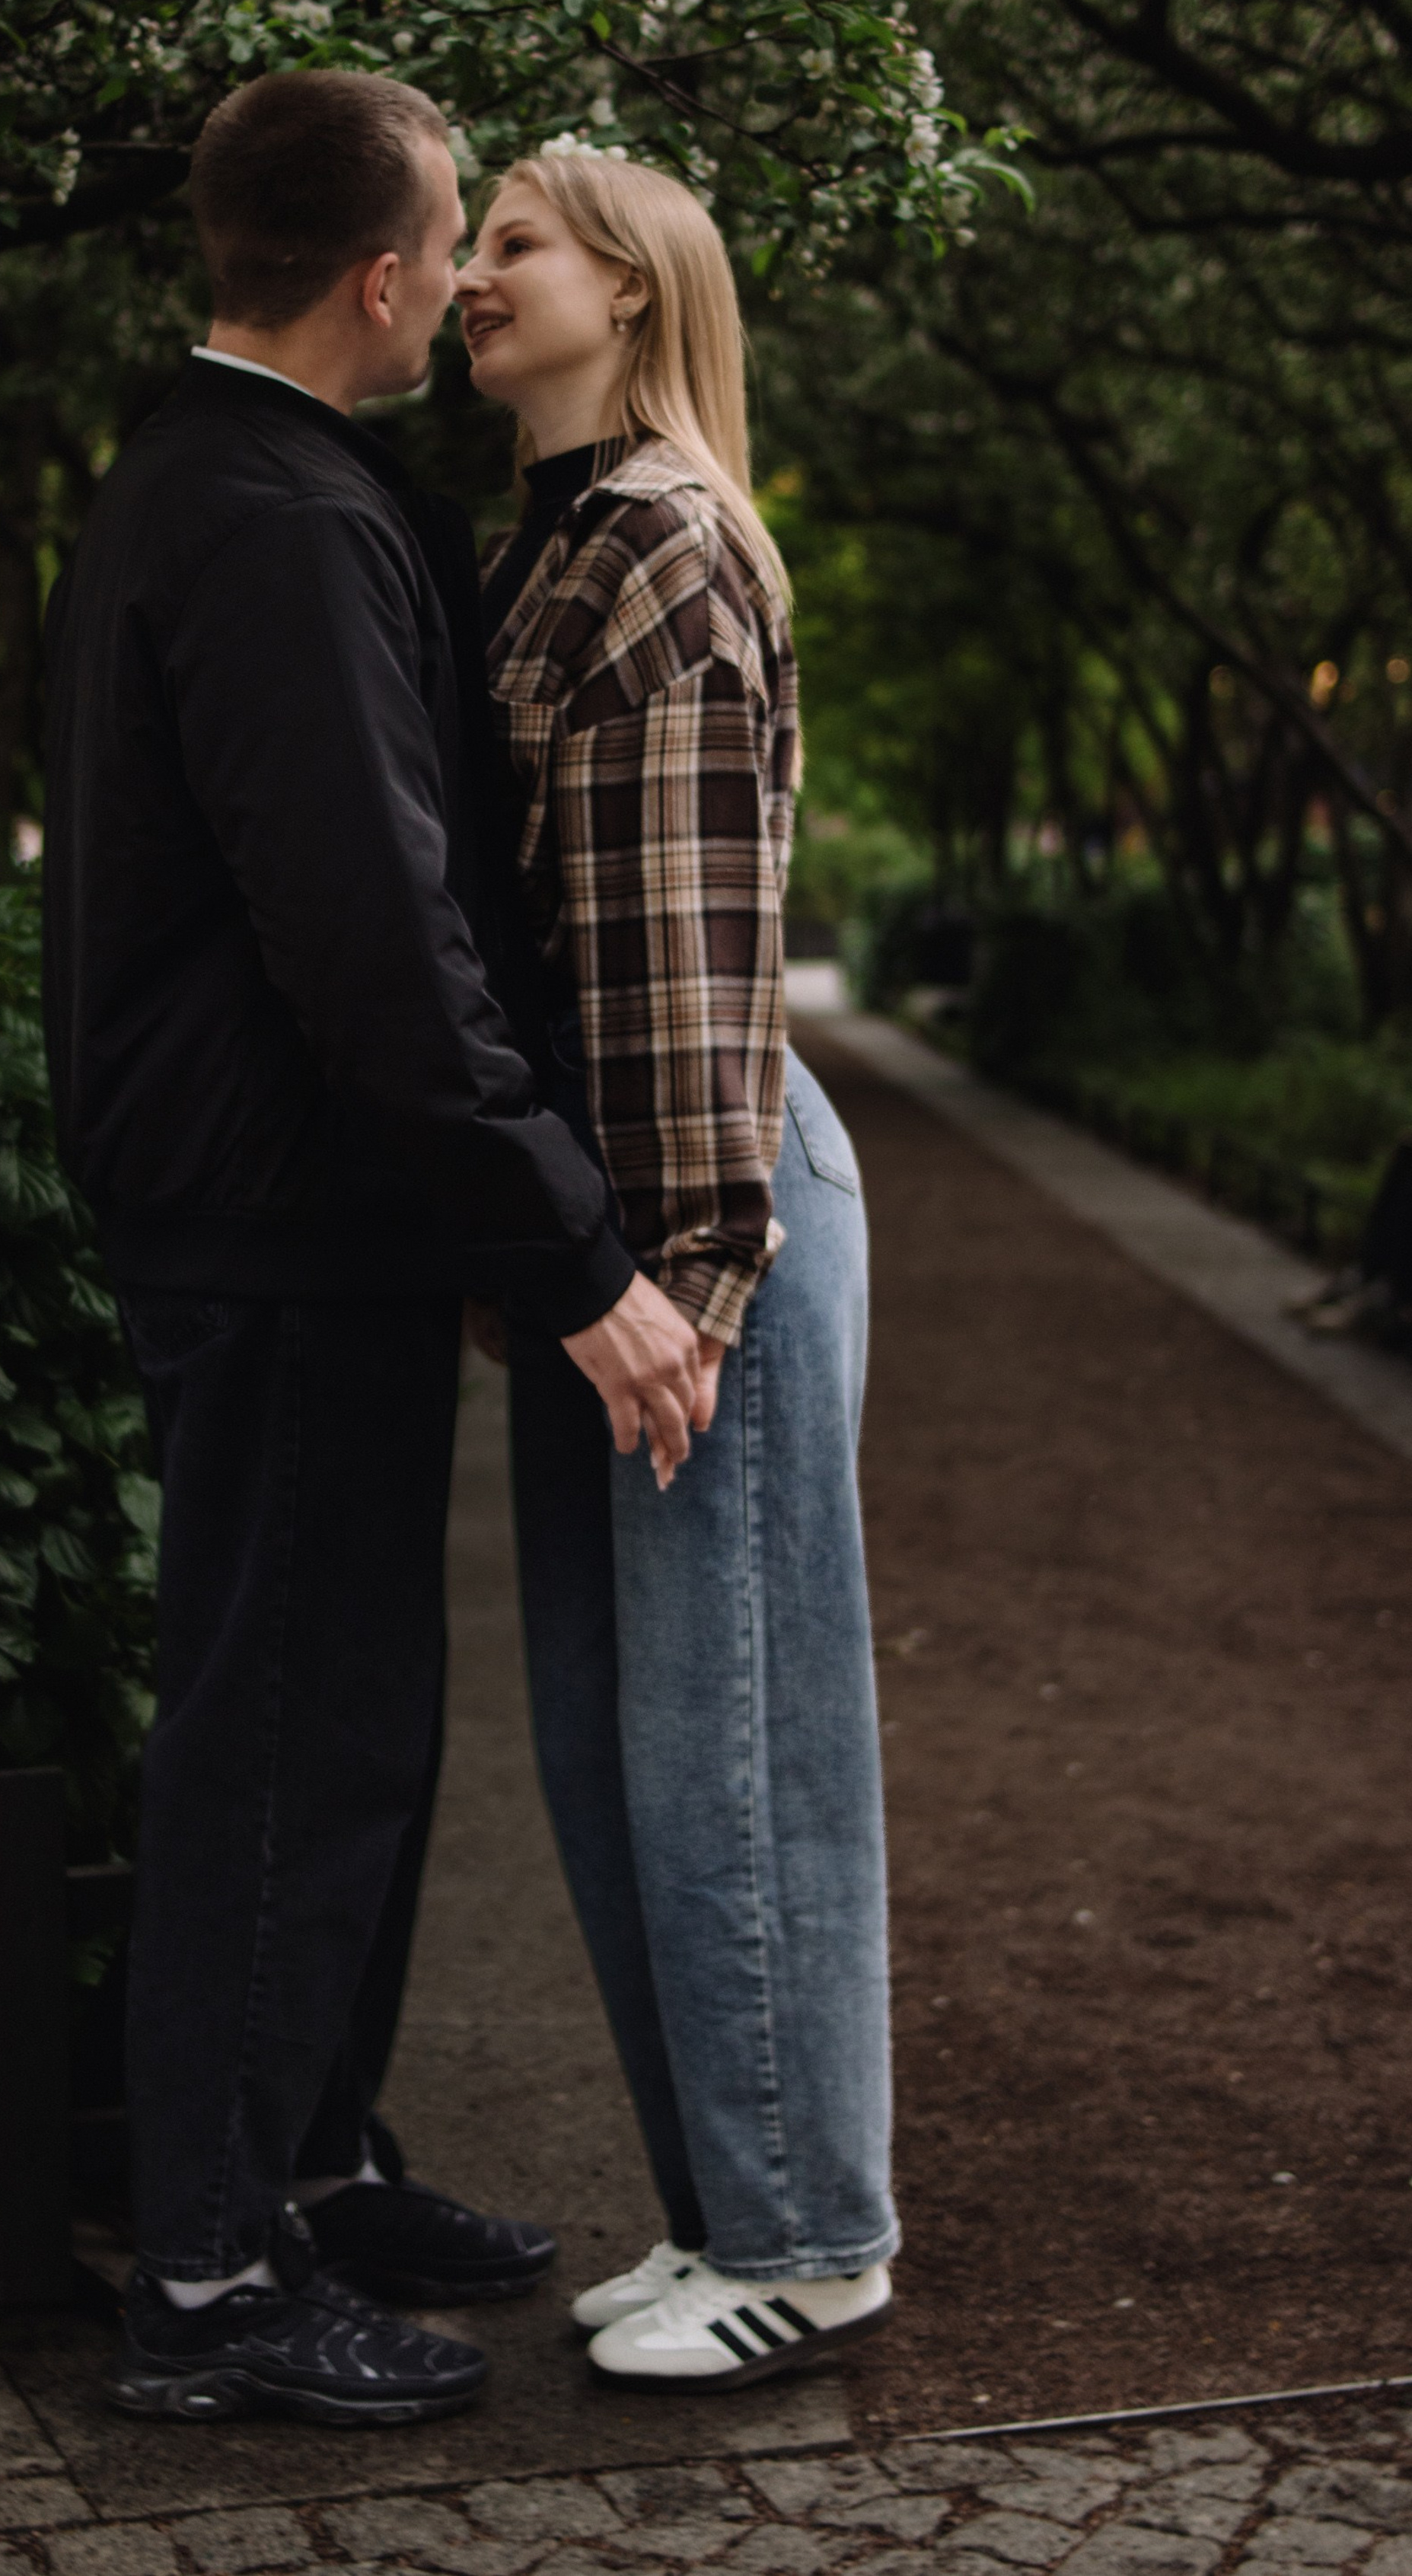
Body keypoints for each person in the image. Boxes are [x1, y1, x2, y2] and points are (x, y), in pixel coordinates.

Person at [40, 73, 702, 2427]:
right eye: (461, 237)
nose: (472, 276)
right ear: (390, 276)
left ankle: (306, 2162)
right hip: (277, 1213)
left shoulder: (239, 480)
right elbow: (375, 942)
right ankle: (212, 2288)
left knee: (357, 1724)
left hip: (293, 1210)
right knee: (289, 1732)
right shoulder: (276, 517)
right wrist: (573, 1253)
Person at [454, 146, 900, 2392]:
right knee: (621, 1750)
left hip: (691, 1207)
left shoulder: (656, 547)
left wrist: (693, 1280)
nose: (467, 275)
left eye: (512, 242)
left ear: (631, 290)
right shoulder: (543, 542)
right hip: (609, 1227)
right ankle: (730, 2209)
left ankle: (812, 2238)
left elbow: (690, 966)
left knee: (732, 1751)